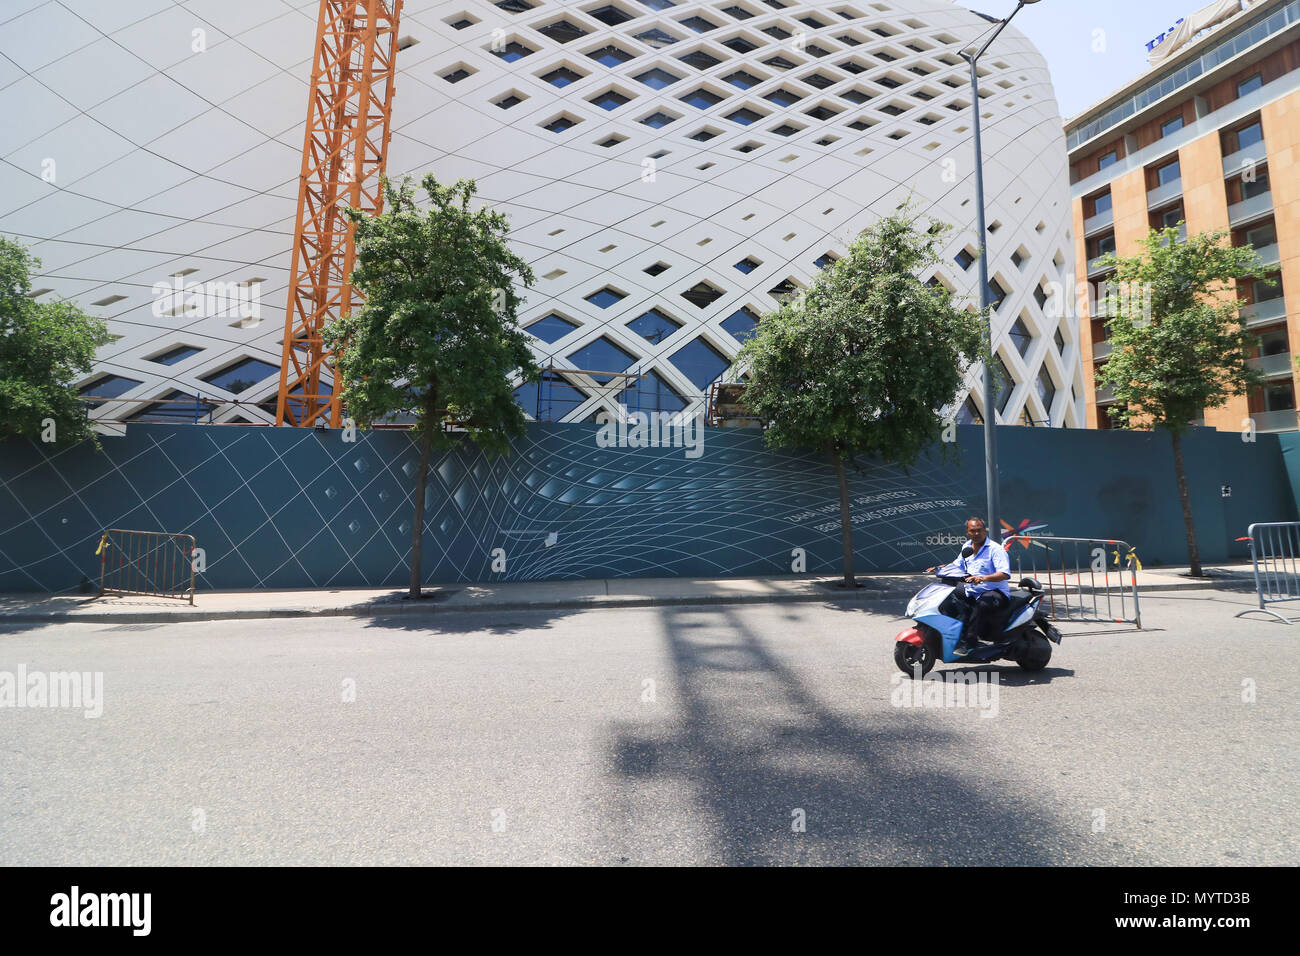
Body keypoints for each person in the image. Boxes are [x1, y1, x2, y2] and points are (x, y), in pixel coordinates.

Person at [925, 517, 1011, 657]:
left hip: (995, 591)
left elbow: (1004, 574)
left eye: (979, 530)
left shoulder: (995, 549)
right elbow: (956, 564)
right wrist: (938, 568)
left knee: (981, 604)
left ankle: (970, 643)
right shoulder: (967, 547)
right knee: (948, 599)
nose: (976, 534)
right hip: (972, 589)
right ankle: (950, 635)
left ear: (985, 531)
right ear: (967, 532)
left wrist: (983, 578)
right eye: (973, 531)